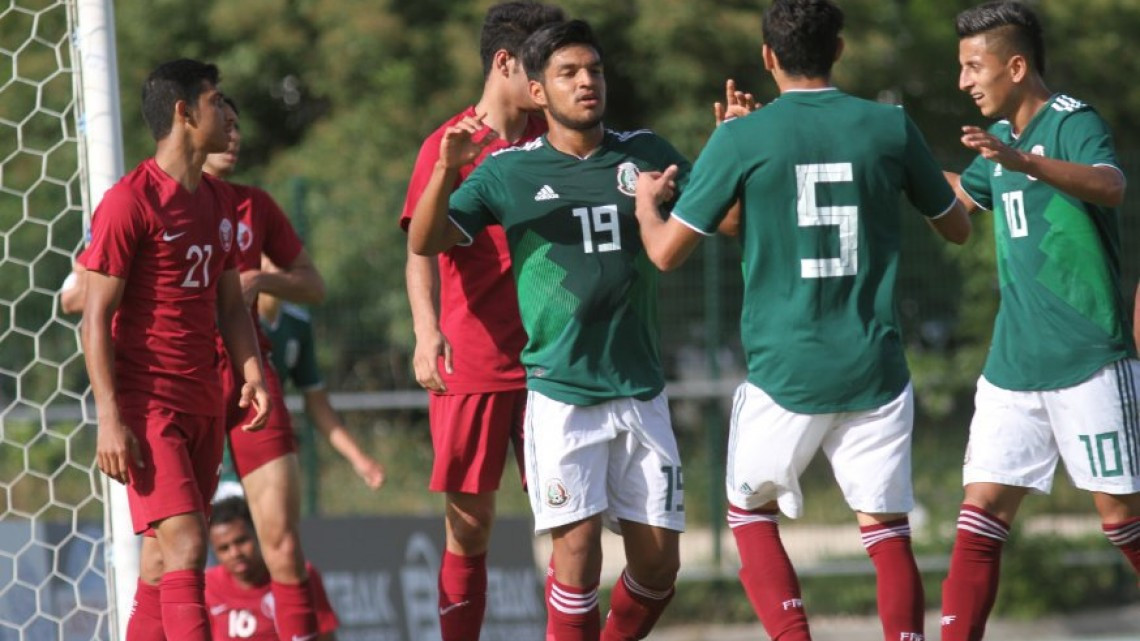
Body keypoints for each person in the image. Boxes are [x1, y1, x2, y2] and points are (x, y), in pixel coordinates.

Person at [633, 1, 972, 639]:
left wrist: (650, 205)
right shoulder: (890, 125)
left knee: (749, 513)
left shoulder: (741, 136)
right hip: (875, 362)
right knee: (887, 529)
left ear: (768, 56)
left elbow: (665, 254)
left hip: (787, 367)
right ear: (839, 49)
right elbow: (955, 227)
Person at [409, 19, 690, 641]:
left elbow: (721, 220)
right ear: (536, 88)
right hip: (556, 388)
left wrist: (731, 148)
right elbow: (424, 241)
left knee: (659, 564)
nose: (586, 81)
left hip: (639, 387)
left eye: (593, 69)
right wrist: (443, 173)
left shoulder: (645, 151)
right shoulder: (503, 168)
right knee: (567, 550)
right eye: (568, 72)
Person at [938, 3, 1139, 639]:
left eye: (975, 66)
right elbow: (957, 206)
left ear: (1016, 66)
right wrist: (885, 161)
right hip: (1013, 365)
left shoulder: (1071, 120)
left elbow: (1110, 184)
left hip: (1088, 358)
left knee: (1121, 519)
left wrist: (1026, 163)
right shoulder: (999, 145)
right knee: (980, 515)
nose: (965, 81)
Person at [80, 58, 270, 641]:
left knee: (162, 562)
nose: (227, 114)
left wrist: (251, 372)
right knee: (188, 544)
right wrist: (109, 419)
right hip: (146, 404)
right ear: (186, 113)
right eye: (216, 102)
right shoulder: (129, 201)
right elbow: (95, 317)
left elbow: (230, 305)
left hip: (203, 401)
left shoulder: (216, 202)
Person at [399, 2, 563, 638]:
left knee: (568, 521)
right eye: (541, 65)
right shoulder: (449, 146)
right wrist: (425, 330)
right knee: (470, 524)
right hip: (475, 359)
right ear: (506, 63)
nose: (554, 79)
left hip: (554, 360)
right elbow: (419, 246)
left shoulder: (557, 139)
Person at [204, 95, 333, 641]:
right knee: (170, 555)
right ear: (187, 121)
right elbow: (86, 286)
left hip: (255, 379)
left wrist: (262, 280)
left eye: (238, 126)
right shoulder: (151, 201)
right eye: (223, 125)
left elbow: (313, 283)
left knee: (281, 543)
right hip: (183, 385)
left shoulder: (254, 206)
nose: (234, 136)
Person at [259, 256, 386, 490]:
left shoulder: (298, 324)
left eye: (280, 254)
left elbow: (316, 401)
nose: (276, 263)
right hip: (225, 454)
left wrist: (358, 459)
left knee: (281, 527)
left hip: (274, 449)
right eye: (267, 253)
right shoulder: (232, 318)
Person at [206, 496, 339, 641]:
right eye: (224, 548)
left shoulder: (295, 574)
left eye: (242, 541)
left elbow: (325, 634)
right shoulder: (206, 587)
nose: (235, 553)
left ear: (258, 535)